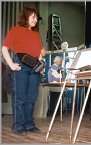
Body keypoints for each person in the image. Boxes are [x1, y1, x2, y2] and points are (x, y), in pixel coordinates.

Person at [1, 7, 46, 135]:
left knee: (31, 98)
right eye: (33, 17)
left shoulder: (36, 34)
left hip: (35, 67)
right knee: (20, 97)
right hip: (20, 65)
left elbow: (39, 54)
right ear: (25, 17)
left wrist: (41, 66)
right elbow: (4, 48)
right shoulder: (16, 30)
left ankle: (29, 124)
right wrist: (11, 64)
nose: (36, 20)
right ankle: (18, 125)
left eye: (36, 18)